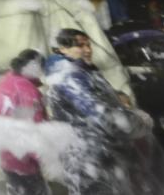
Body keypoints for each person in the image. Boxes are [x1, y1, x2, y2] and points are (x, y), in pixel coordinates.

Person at [45, 28, 153, 195]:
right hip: (88, 160)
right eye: (80, 45)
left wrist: (118, 98)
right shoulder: (68, 77)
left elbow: (97, 100)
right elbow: (104, 116)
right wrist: (141, 122)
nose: (88, 50)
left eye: (89, 44)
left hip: (102, 155)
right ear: (62, 49)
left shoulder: (83, 71)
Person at [0, 49, 49, 195]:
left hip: (6, 151)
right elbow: (34, 126)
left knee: (17, 188)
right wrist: (45, 155)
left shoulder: (7, 79)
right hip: (23, 156)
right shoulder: (27, 90)